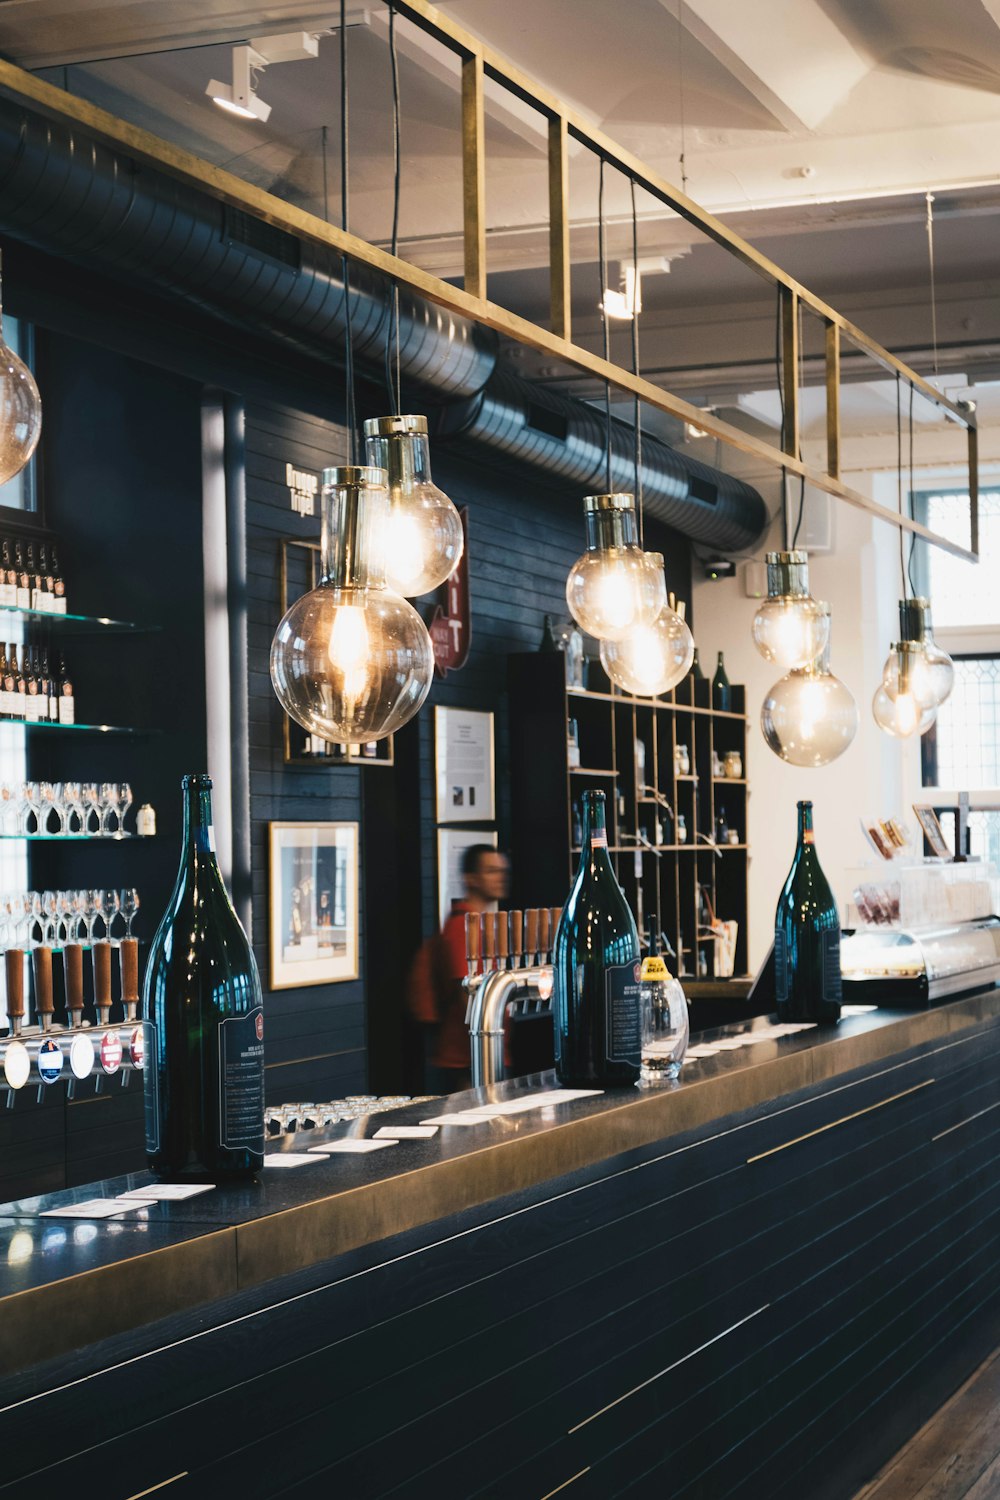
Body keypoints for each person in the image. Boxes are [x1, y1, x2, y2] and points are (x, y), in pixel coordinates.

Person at [408, 844, 510, 1092]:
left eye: (501, 871)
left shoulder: (480, 925)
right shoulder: (462, 928)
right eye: (491, 871)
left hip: (486, 1054)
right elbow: (469, 996)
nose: (500, 877)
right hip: (468, 1061)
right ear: (471, 879)